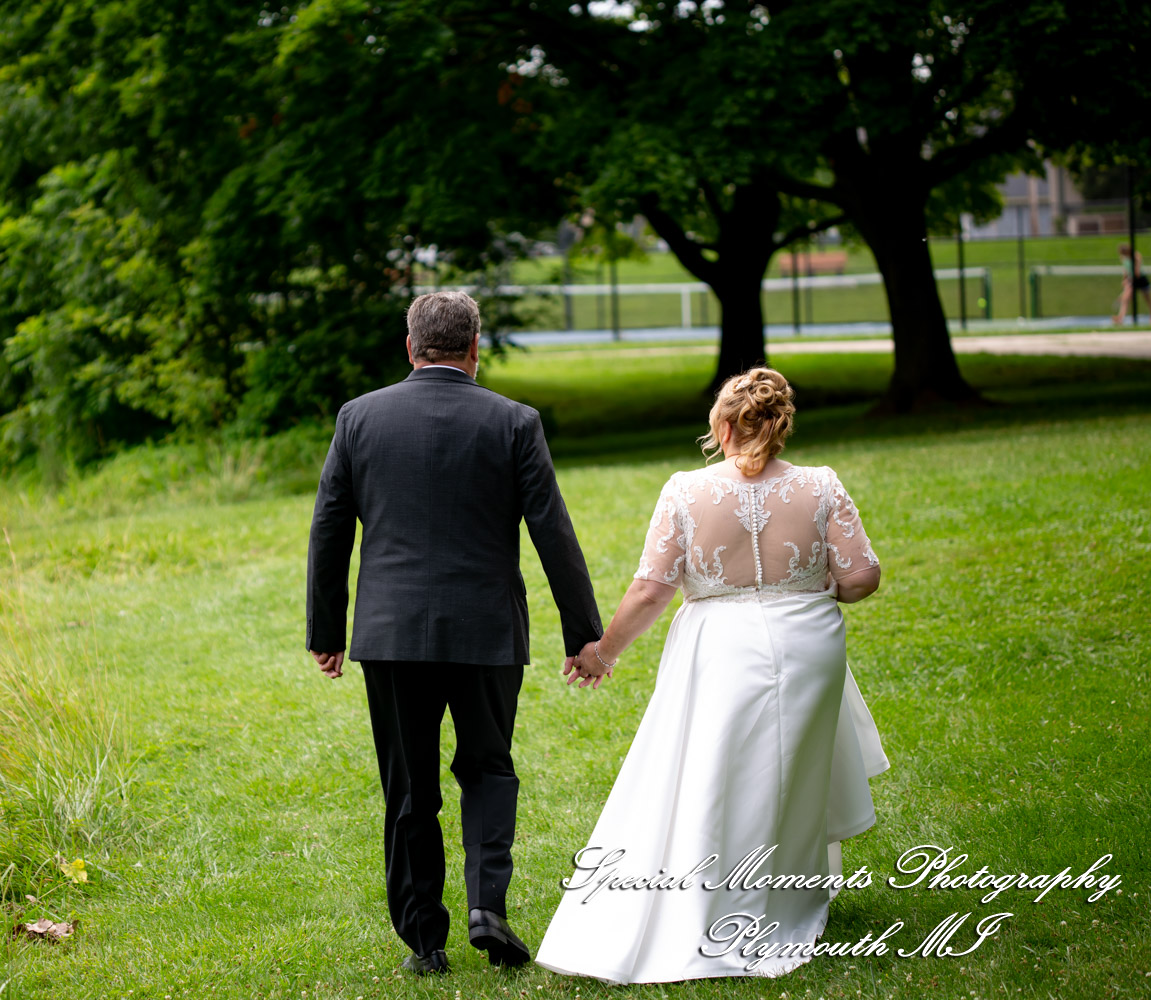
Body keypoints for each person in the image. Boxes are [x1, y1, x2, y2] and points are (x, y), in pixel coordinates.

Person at [535, 367, 890, 984]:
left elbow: (652, 590)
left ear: (723, 427)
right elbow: (862, 577)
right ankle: (784, 893)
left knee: (715, 768)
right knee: (792, 768)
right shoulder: (821, 485)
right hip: (808, 641)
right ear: (780, 426)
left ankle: (711, 899)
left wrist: (603, 653)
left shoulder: (686, 491)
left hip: (720, 644)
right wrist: (811, 593)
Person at [305, 290, 603, 976]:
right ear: (475, 348)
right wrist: (581, 633)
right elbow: (553, 532)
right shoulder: (515, 421)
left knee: (409, 786)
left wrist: (327, 630)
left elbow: (330, 528)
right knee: (489, 768)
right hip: (487, 631)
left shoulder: (359, 418)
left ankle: (425, 943)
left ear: (411, 347)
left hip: (391, 635)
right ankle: (487, 908)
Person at [1113, 243, 1151, 325]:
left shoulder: (1136, 256)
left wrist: (1129, 280)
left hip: (1140, 279)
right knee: (1125, 299)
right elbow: (1126, 270)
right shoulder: (1123, 258)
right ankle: (1120, 318)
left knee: (1148, 299)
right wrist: (1125, 279)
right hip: (1131, 280)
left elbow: (1137, 273)